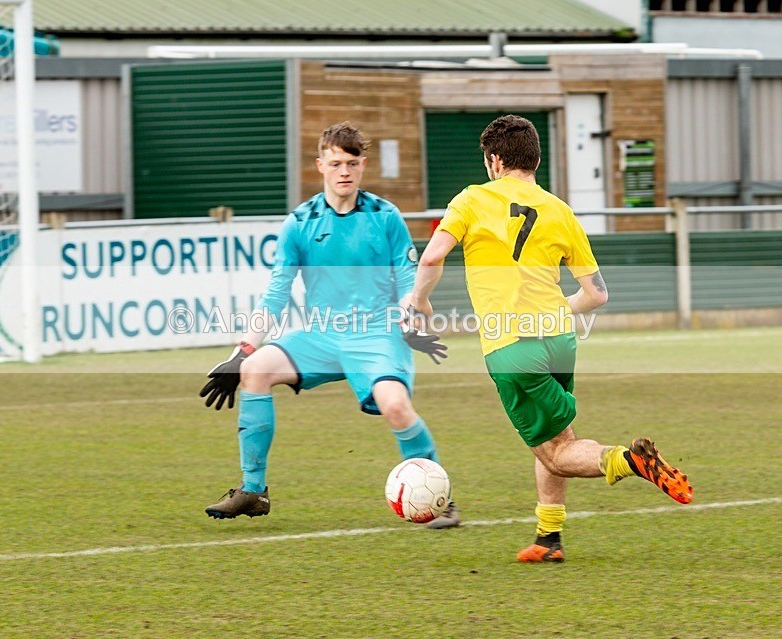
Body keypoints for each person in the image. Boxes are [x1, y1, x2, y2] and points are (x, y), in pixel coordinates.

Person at [409, 114, 693, 561]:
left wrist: (420, 303)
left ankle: (628, 461)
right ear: (534, 159)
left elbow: (431, 260)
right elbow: (597, 294)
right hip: (559, 340)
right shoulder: (560, 210)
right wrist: (558, 310)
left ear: (495, 160)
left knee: (558, 452)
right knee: (556, 438)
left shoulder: (472, 199)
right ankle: (549, 537)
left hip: (511, 346)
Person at [198, 122, 459, 529]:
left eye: (352, 163)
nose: (344, 171)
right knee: (255, 370)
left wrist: (410, 311)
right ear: (320, 164)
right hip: (321, 334)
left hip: (377, 333)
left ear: (363, 165)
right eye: (335, 163)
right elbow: (276, 294)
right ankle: (253, 491)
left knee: (394, 406)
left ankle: (441, 499)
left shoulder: (384, 216)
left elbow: (408, 280)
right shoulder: (300, 222)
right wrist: (242, 351)